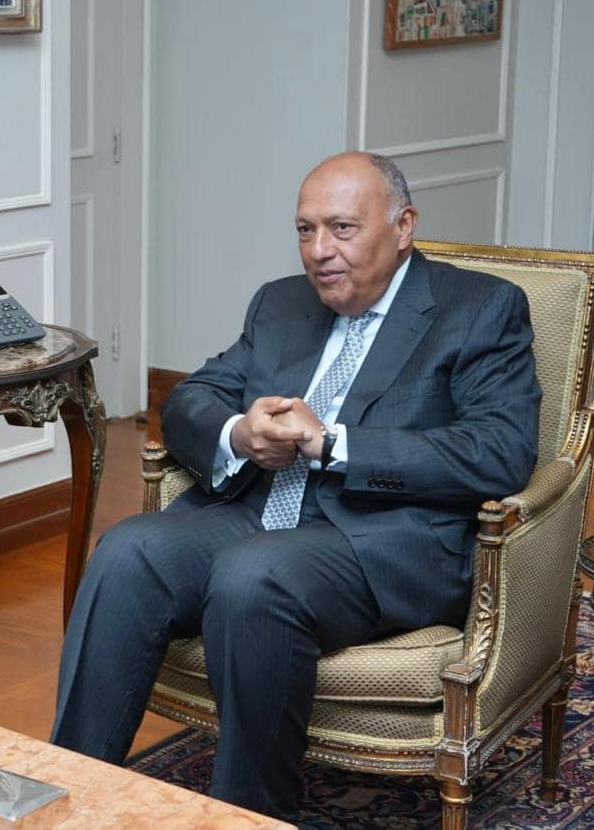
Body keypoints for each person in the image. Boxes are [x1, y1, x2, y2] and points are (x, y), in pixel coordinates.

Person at [51, 152, 541, 821]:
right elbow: (192, 398)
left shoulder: (481, 308)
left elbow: (499, 452)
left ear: (403, 226)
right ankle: (72, 796)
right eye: (306, 230)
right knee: (126, 551)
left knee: (255, 576)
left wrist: (332, 444)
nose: (319, 250)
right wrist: (238, 433)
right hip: (258, 511)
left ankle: (249, 814)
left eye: (342, 228)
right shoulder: (281, 303)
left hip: (385, 537)